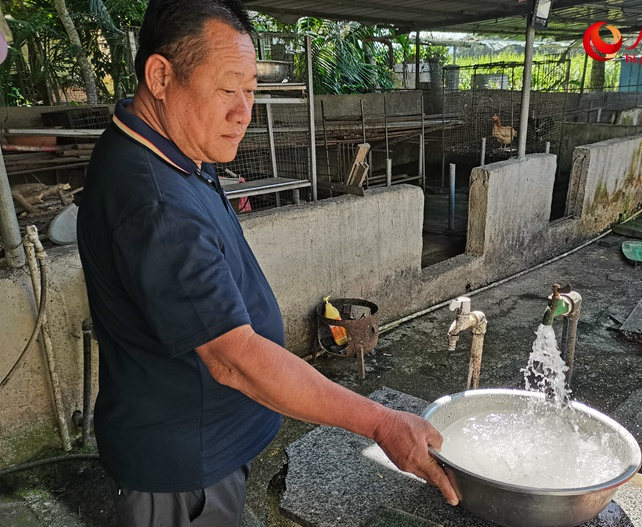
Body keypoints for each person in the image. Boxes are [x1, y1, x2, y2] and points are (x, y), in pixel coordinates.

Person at [76, 1, 457, 525]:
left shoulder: (173, 149)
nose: (244, 112)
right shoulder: (153, 201)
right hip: (182, 473)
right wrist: (381, 422)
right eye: (228, 89)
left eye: (252, 90)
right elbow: (233, 358)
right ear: (161, 76)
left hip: (209, 447)